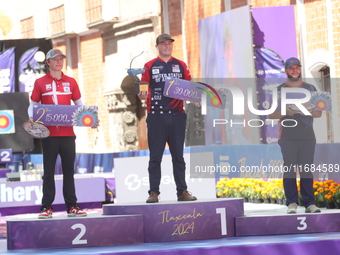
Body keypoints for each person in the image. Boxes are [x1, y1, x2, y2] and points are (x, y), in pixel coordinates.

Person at [28, 49, 96, 219]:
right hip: (48, 135)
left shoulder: (71, 82)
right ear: (48, 63)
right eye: (55, 59)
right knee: (49, 172)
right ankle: (46, 207)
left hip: (68, 134)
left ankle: (72, 206)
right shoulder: (40, 83)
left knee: (68, 172)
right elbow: (33, 105)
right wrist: (31, 118)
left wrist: (91, 119)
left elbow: (80, 105)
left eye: (61, 59)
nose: (59, 62)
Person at [138, 33, 197, 203]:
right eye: (163, 44)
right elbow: (142, 89)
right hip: (156, 116)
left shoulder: (181, 65)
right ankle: (153, 192)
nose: (167, 47)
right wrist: (142, 95)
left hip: (177, 116)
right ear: (157, 47)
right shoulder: (149, 66)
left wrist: (196, 98)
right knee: (155, 156)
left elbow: (190, 87)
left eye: (169, 44)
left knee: (178, 156)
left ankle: (182, 191)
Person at [268, 57, 322, 214]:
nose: (295, 70)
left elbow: (318, 113)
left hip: (307, 136)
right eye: (291, 68)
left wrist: (306, 110)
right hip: (287, 136)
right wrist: (287, 111)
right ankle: (291, 203)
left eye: (297, 67)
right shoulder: (279, 90)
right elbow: (271, 114)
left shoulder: (310, 88)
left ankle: (310, 203)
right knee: (290, 169)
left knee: (306, 170)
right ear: (286, 70)